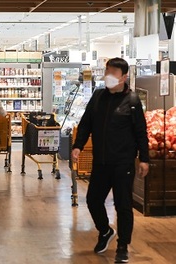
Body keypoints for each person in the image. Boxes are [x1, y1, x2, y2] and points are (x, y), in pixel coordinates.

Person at [71, 58, 149, 263]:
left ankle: (123, 246)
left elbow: (141, 132)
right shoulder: (98, 97)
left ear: (124, 77)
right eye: (107, 72)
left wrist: (144, 159)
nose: (109, 76)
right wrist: (78, 145)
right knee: (93, 200)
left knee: (123, 205)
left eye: (113, 73)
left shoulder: (132, 101)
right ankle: (105, 230)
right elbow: (86, 122)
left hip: (123, 162)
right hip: (101, 162)